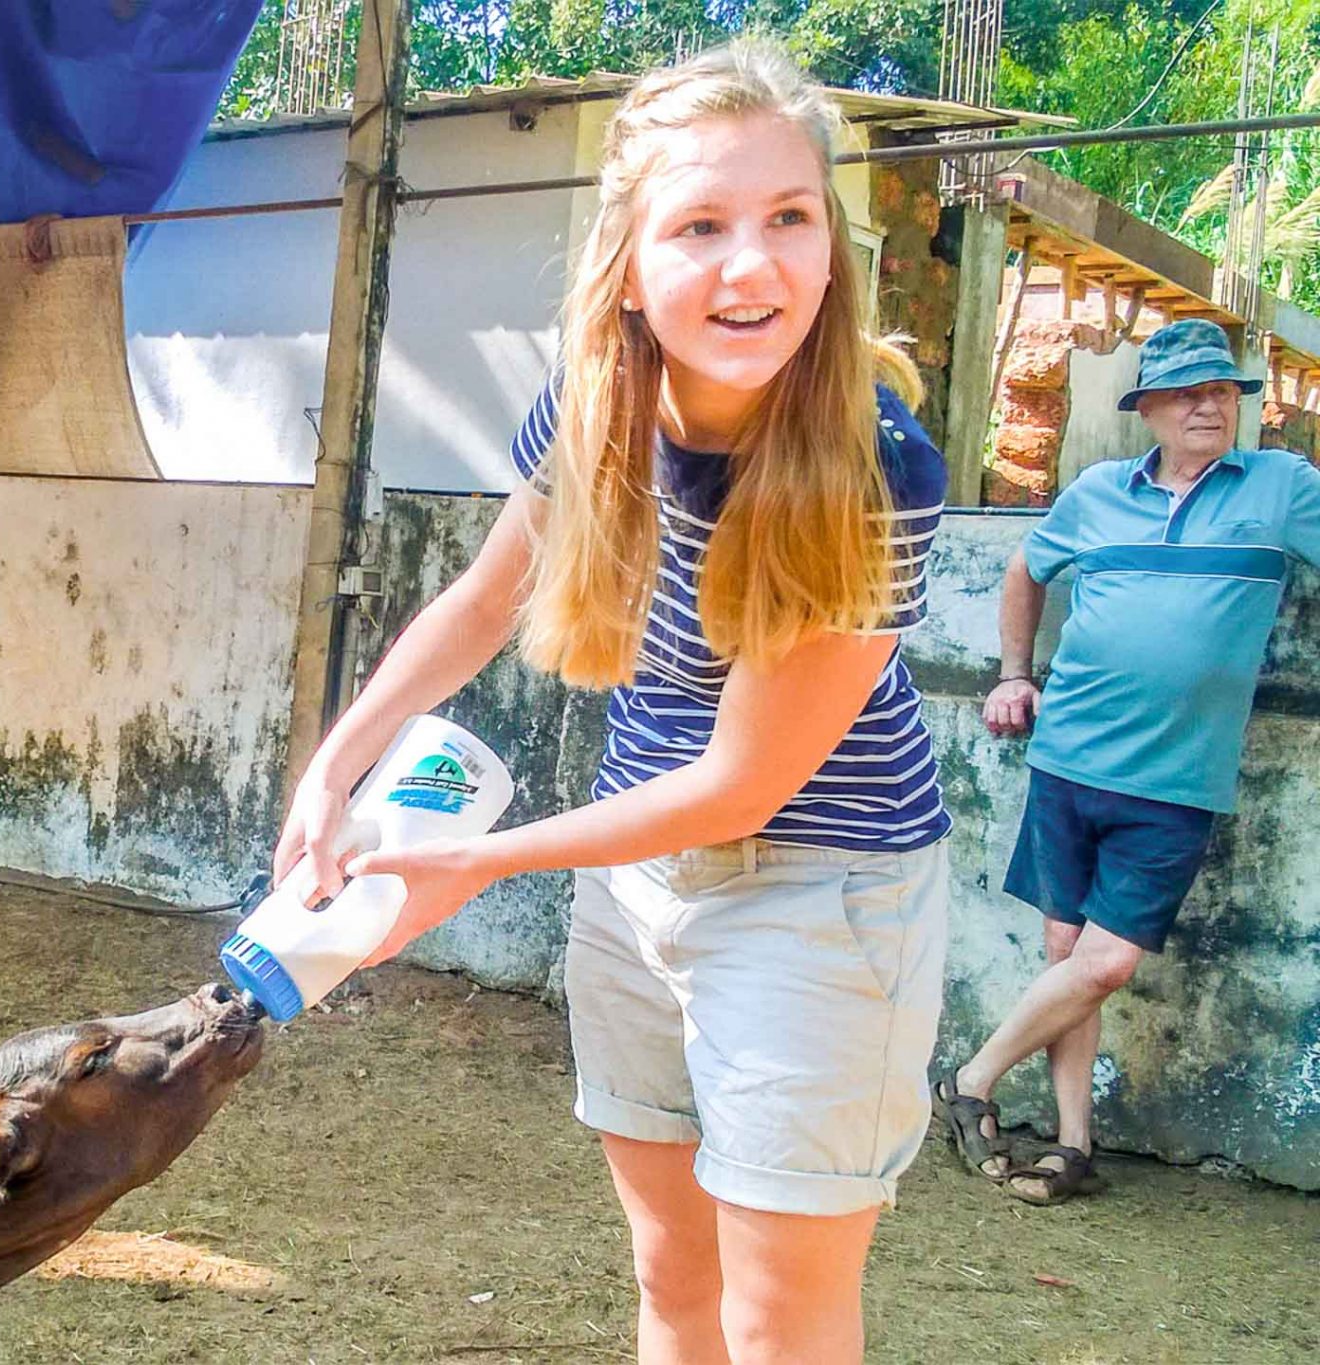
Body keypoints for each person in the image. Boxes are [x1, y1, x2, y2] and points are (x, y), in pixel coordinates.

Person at [273, 43, 950, 1365]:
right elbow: (481, 603)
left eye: (788, 219)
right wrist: (334, 765)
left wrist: (464, 864)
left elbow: (744, 783)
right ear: (629, 262)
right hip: (638, 882)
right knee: (672, 1277)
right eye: (700, 224)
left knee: (778, 1317)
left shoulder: (877, 465)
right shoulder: (596, 407)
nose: (750, 267)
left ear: (831, 247)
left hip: (820, 891)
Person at [933, 319, 1320, 1205]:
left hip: (1178, 780)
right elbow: (1026, 567)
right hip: (1069, 754)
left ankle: (969, 1081)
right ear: (1146, 408)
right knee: (1067, 952)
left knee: (1101, 964)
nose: (1208, 404)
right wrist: (1014, 674)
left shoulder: (1280, 487)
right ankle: (1074, 1145)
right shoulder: (1098, 493)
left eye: (1221, 390)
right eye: (1186, 392)